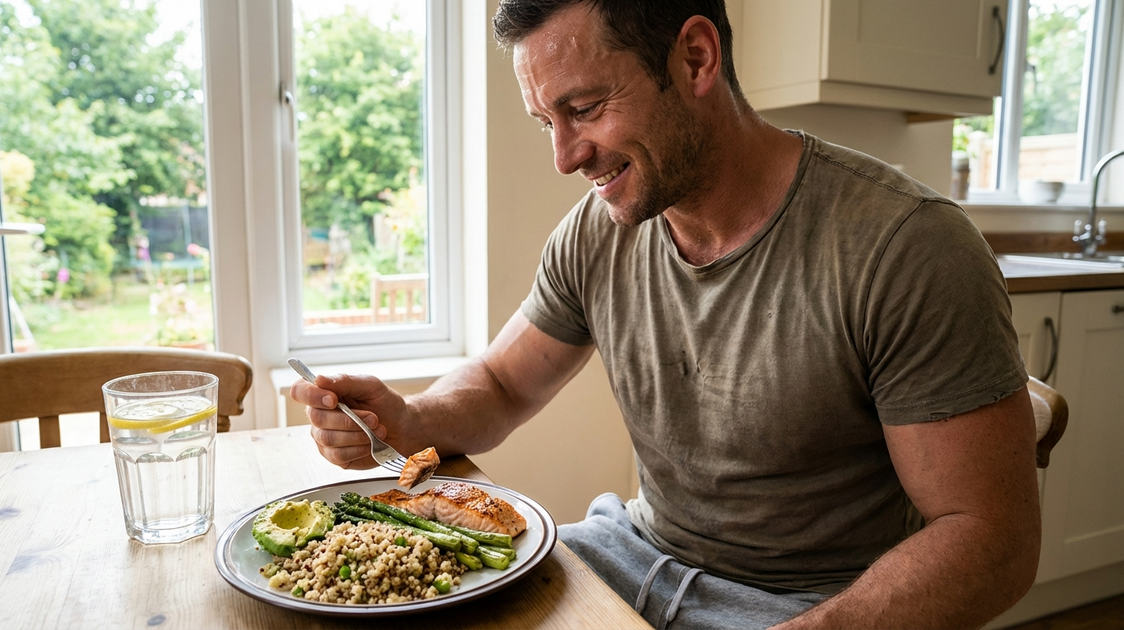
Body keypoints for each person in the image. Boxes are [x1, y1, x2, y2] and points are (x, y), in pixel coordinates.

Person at [290, 1, 1041, 627]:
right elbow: (503, 383)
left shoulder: (907, 247)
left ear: (696, 58)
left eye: (584, 109)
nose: (564, 157)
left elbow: (992, 540)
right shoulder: (598, 231)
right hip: (628, 553)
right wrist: (407, 418)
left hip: (809, 605)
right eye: (545, 121)